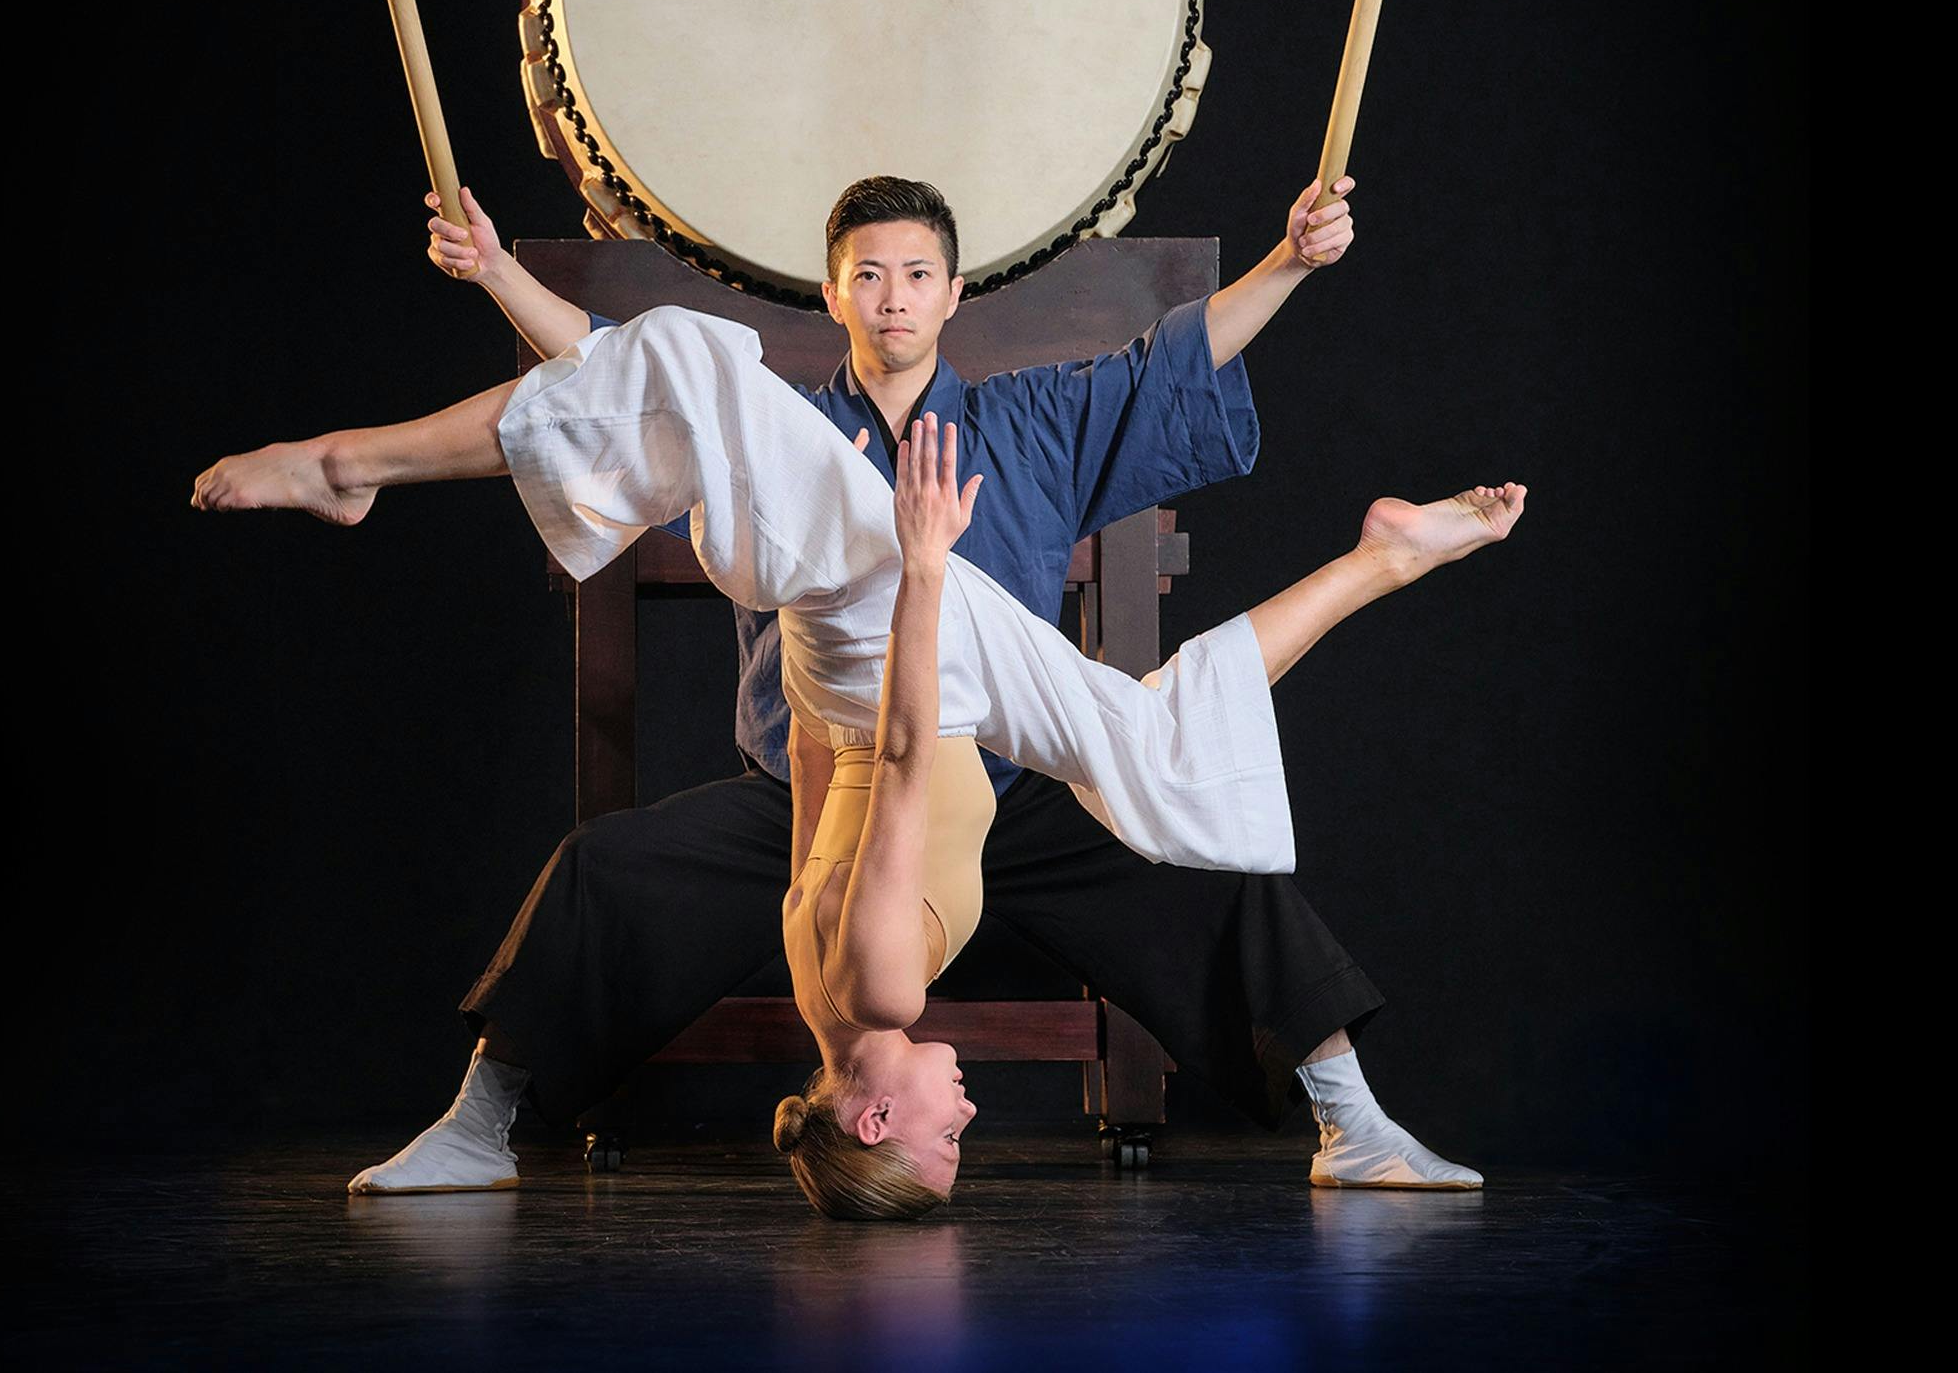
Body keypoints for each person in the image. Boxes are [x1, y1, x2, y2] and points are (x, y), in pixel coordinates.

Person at [193, 176, 1504, 1194]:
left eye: (915, 273)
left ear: (952, 292)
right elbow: (624, 380)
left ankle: (1356, 1123)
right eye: (866, 274)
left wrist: (1290, 259)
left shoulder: (1034, 416)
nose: (891, 294)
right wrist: (496, 279)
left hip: (995, 772)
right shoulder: (799, 425)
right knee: (611, 866)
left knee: (1192, 827)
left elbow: (1166, 364)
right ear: (832, 291)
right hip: (826, 768)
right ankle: (480, 1126)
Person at [764, 406, 1520, 1217]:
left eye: (947, 1138)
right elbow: (812, 761)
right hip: (859, 659)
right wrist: (812, 575)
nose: (967, 1115)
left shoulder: (883, 996)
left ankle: (1386, 558)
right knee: (1165, 752)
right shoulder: (815, 987)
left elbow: (903, 755)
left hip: (914, 659)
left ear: (874, 1120)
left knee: (1169, 759)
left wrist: (919, 564)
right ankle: (1384, 558)